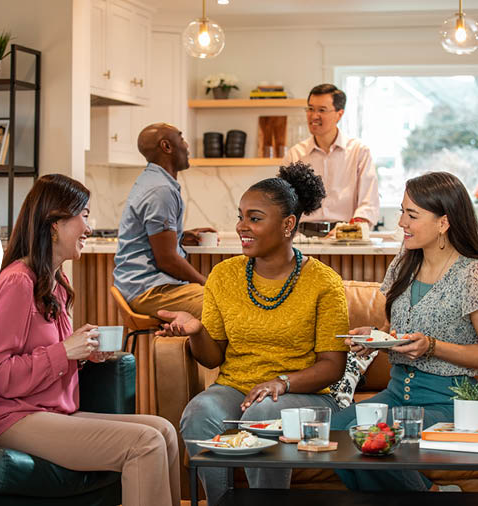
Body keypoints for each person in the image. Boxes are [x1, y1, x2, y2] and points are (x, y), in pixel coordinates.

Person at [0, 174, 182, 506]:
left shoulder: (54, 280)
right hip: (11, 418)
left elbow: (45, 356)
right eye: (84, 215)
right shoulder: (17, 282)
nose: (89, 227)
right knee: (144, 443)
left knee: (164, 431)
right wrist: (64, 352)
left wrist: (81, 354)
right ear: (55, 223)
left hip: (51, 412)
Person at [160, 162, 349, 504]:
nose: (241, 227)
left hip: (305, 396)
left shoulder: (324, 282)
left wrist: (282, 382)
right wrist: (197, 331)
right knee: (199, 413)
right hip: (235, 388)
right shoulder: (224, 275)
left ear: (288, 224)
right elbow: (213, 356)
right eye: (241, 216)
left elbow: (332, 366)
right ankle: (221, 501)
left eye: (255, 218)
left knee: (262, 412)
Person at [332, 171, 478, 491]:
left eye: (411, 215)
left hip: (447, 401)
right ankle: (431, 492)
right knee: (336, 433)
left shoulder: (471, 273)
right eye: (401, 211)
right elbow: (393, 329)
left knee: (368, 436)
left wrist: (433, 347)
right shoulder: (404, 262)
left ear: (444, 222)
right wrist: (375, 339)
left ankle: (427, 495)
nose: (401, 223)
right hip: (397, 393)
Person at [114, 122, 215, 320]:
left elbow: (152, 237)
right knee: (224, 306)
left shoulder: (153, 181)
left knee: (225, 304)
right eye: (181, 138)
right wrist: (207, 282)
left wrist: (179, 236)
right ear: (166, 147)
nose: (187, 146)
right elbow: (167, 259)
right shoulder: (161, 190)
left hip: (145, 287)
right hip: (150, 291)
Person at [283, 83, 380, 234]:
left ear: (339, 114)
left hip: (345, 236)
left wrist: (349, 230)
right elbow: (284, 203)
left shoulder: (359, 152)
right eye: (310, 109)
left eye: (321, 110)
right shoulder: (295, 154)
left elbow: (369, 203)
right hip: (302, 237)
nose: (314, 116)